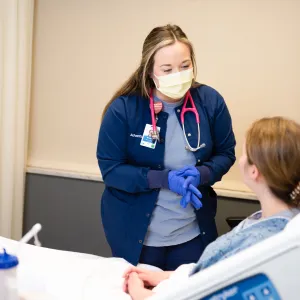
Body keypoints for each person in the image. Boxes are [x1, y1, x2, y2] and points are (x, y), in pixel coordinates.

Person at [96, 24, 236, 271]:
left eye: (185, 66)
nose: (178, 74)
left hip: (193, 234)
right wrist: (164, 179)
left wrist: (202, 174)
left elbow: (226, 153)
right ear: (150, 71)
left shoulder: (210, 102)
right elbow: (112, 170)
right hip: (136, 237)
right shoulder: (124, 110)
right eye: (167, 69)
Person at [123, 116, 300, 300]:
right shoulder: (277, 219)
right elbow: (215, 271)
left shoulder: (262, 245)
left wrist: (140, 294)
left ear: (255, 171)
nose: (240, 160)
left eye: (244, 154)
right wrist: (165, 276)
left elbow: (210, 290)